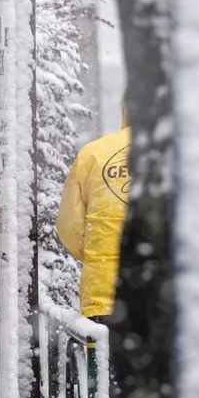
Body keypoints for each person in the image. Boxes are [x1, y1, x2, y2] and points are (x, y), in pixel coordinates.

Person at [56, 119, 130, 320]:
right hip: (175, 295)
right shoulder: (188, 153)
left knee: (105, 351)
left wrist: (95, 253)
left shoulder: (93, 153)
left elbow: (69, 226)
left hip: (103, 294)